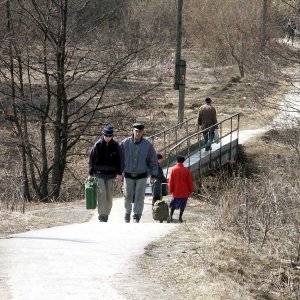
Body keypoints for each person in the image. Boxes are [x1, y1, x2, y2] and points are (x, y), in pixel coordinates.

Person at [120, 122, 158, 223]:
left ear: (142, 132)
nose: (138, 133)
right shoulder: (125, 143)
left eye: (140, 131)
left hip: (142, 175)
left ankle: (137, 215)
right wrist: (120, 172)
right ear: (133, 131)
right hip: (128, 174)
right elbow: (119, 158)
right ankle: (127, 213)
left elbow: (153, 160)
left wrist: (153, 174)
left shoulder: (147, 145)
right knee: (127, 195)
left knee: (139, 196)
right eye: (136, 131)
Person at [88, 125, 123, 222]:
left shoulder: (116, 145)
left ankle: (106, 213)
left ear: (112, 135)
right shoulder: (98, 145)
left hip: (111, 174)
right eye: (106, 135)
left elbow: (120, 160)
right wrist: (90, 173)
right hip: (98, 173)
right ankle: (102, 215)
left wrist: (119, 173)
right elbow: (91, 159)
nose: (108, 137)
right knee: (102, 193)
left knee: (109, 195)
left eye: (110, 135)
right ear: (103, 135)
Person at [168, 155, 194, 223]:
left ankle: (170, 216)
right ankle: (180, 218)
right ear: (183, 162)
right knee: (183, 205)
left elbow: (171, 181)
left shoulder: (173, 169)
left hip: (176, 191)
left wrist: (170, 190)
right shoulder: (186, 170)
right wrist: (191, 190)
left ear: (177, 161)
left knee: (173, 204)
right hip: (184, 191)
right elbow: (189, 181)